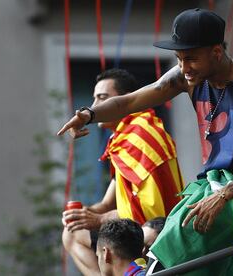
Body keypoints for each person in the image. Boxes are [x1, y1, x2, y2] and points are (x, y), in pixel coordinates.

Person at [58, 8, 233, 275]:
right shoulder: (187, 78)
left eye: (190, 59)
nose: (183, 68)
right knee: (163, 238)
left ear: (216, 52)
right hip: (211, 188)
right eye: (178, 59)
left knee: (179, 241)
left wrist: (223, 195)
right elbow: (130, 101)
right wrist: (89, 114)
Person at [61, 69, 184, 275]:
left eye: (103, 98)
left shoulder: (140, 134)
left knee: (74, 236)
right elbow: (108, 204)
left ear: (126, 100)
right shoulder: (124, 137)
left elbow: (150, 209)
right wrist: (82, 215)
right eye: (93, 99)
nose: (95, 107)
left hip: (155, 232)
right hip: (138, 227)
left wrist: (100, 220)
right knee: (72, 230)